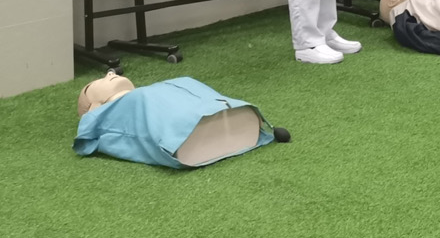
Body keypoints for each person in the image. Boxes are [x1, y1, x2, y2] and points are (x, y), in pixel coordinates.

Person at [74, 72, 287, 168]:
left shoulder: (155, 90)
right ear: (94, 107)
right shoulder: (112, 114)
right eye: (97, 82)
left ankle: (220, 121)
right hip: (183, 141)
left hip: (225, 116)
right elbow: (91, 134)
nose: (109, 73)